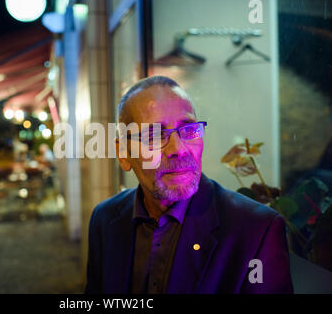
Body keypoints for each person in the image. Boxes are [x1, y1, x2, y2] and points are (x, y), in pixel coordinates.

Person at [85, 76, 293, 294]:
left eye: (189, 129)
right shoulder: (105, 219)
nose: (179, 148)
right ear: (123, 154)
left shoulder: (257, 230)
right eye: (155, 135)